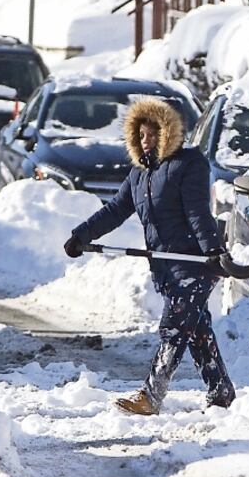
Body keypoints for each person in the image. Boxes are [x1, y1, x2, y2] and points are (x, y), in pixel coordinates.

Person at [63, 98, 235, 415]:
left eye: (153, 134)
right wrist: (82, 235)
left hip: (195, 263)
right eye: (141, 135)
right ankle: (221, 391)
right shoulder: (139, 176)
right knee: (196, 331)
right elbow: (115, 210)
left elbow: (198, 213)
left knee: (173, 327)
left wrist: (213, 249)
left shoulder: (189, 164)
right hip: (166, 267)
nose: (146, 141)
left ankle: (151, 396)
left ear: (168, 132)